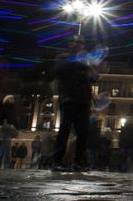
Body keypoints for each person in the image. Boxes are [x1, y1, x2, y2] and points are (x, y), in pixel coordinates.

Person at [51, 35, 98, 172]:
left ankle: (78, 162)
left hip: (83, 100)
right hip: (69, 98)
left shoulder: (84, 61)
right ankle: (57, 161)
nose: (79, 45)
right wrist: (79, 61)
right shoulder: (62, 57)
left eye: (81, 43)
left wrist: (92, 68)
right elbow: (59, 71)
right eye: (76, 42)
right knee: (64, 130)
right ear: (70, 44)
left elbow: (93, 79)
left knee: (83, 133)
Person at [0, 95, 18, 169]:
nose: (13, 100)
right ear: (8, 100)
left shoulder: (11, 108)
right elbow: (1, 118)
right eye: (11, 99)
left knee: (3, 148)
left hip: (9, 130)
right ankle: (7, 165)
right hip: (6, 129)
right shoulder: (5, 108)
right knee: (7, 148)